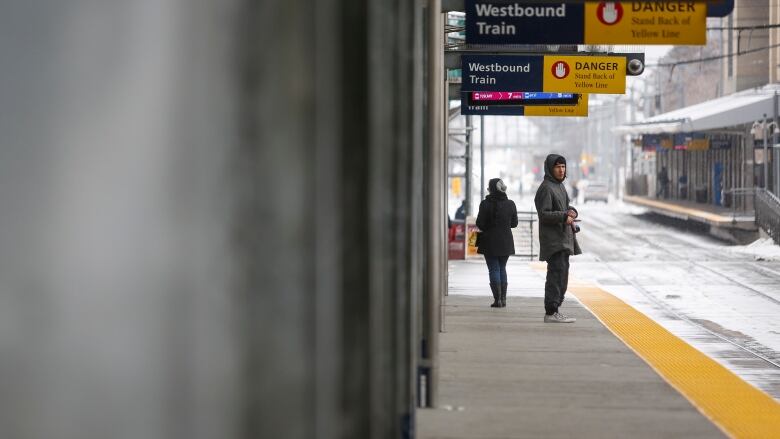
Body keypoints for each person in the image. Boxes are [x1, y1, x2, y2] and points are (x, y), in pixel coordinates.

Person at [534, 154, 581, 323]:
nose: (561, 170)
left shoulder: (559, 186)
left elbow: (564, 207)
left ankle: (555, 309)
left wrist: (571, 212)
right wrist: (563, 217)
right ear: (550, 168)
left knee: (562, 276)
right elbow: (544, 214)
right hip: (554, 241)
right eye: (558, 167)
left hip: (563, 239)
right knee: (556, 276)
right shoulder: (546, 188)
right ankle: (551, 311)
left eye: (563, 166)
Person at [476, 178, 518, 308]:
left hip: (489, 242)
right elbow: (514, 224)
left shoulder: (484, 204)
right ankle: (503, 299)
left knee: (494, 268)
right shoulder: (511, 204)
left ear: (491, 189)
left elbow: (479, 224)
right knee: (502, 268)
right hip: (506, 242)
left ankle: (497, 300)